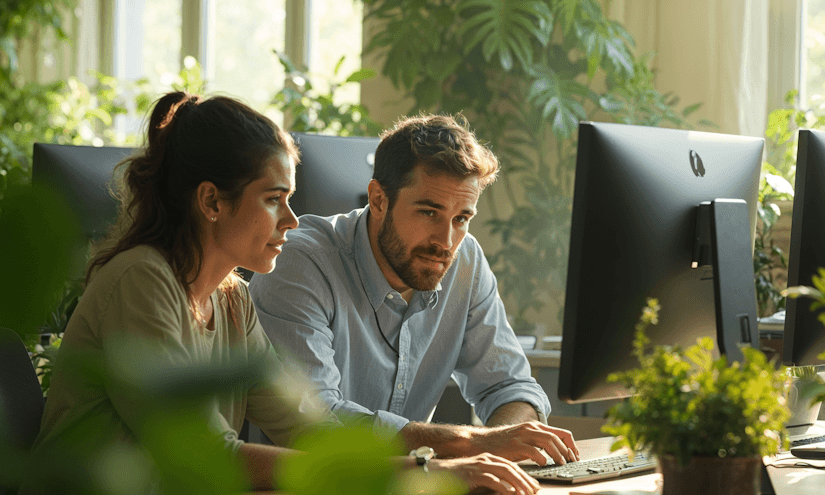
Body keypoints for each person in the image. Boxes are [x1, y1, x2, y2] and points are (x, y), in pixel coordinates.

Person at [5, 93, 599, 495]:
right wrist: (432, 471)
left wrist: (445, 461)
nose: (291, 221)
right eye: (274, 200)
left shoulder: (231, 299)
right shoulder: (142, 280)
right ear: (212, 201)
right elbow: (209, 455)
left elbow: (311, 427)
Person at [248, 114, 582, 467]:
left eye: (462, 219)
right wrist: (467, 442)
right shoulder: (300, 264)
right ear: (378, 200)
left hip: (411, 489)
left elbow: (510, 387)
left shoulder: (464, 260)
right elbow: (315, 422)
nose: (446, 241)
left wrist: (502, 448)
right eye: (429, 212)